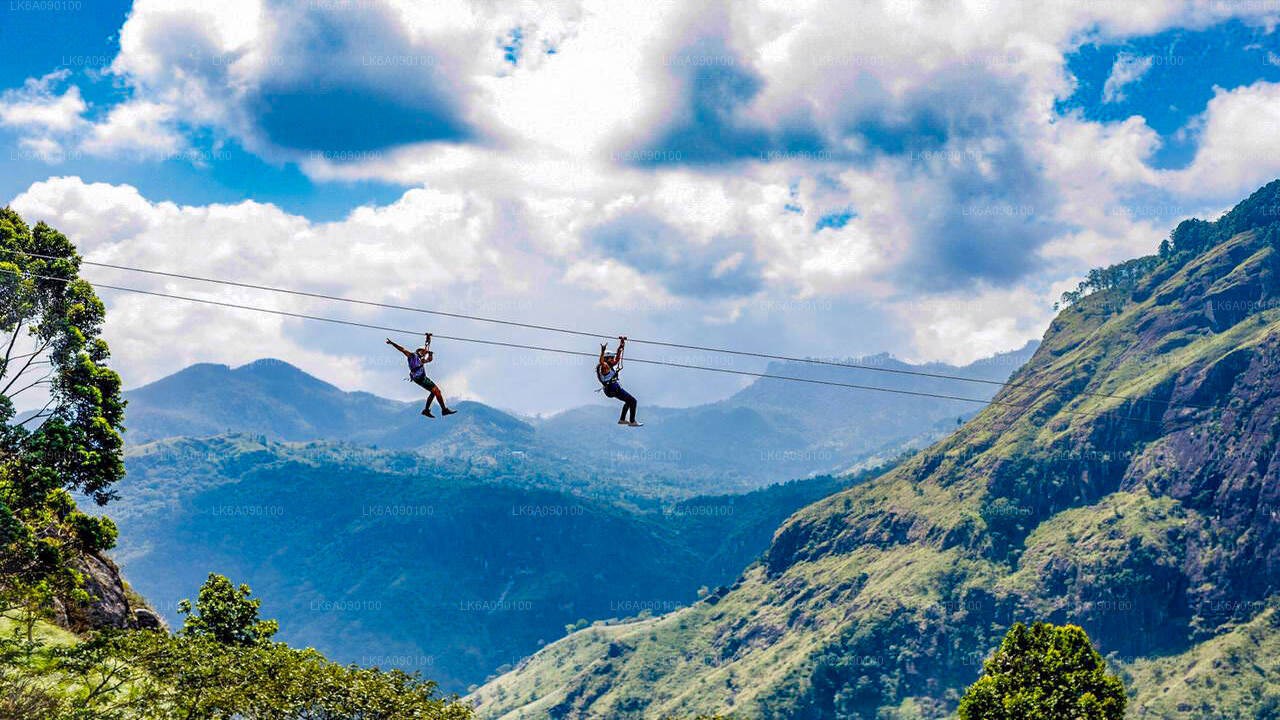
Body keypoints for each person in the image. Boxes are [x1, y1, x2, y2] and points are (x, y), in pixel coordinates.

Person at [386, 333, 457, 418]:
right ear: (419, 351)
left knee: (434, 392)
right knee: (437, 391)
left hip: (420, 378)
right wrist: (392, 343)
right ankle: (444, 410)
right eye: (423, 352)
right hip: (420, 378)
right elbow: (402, 349)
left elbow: (429, 359)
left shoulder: (421, 360)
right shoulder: (412, 356)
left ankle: (426, 410)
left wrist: (428, 341)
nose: (424, 354)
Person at [597, 336, 641, 426]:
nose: (613, 359)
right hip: (612, 389)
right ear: (607, 358)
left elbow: (617, 359)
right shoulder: (604, 366)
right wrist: (602, 352)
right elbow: (601, 362)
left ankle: (622, 420)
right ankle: (632, 421)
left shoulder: (609, 365)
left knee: (629, 401)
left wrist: (620, 346)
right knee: (633, 401)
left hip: (612, 389)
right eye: (611, 358)